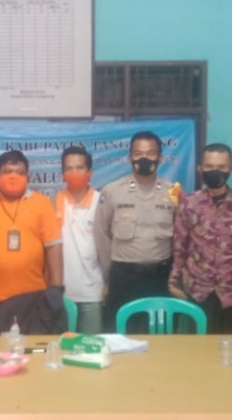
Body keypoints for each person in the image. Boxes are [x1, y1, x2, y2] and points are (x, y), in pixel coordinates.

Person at [168, 143, 232, 334]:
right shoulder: (189, 203)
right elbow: (180, 247)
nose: (215, 171)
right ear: (200, 169)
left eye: (221, 167)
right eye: (209, 166)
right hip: (198, 293)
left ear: (231, 170)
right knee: (199, 350)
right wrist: (174, 282)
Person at [94, 130, 183, 332]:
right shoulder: (112, 191)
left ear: (160, 158)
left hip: (159, 276)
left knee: (159, 334)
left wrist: (175, 277)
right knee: (120, 333)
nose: (144, 158)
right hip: (123, 276)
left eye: (150, 153)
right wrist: (109, 274)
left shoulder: (173, 192)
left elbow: (180, 238)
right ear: (129, 158)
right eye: (138, 153)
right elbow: (101, 233)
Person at [0, 150, 63, 328]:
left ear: (28, 177)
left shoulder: (42, 203)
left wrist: (56, 289)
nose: (13, 177)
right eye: (7, 171)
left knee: (29, 345)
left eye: (20, 172)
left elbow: (53, 246)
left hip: (32, 297)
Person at [55, 146, 103, 334]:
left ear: (90, 172)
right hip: (62, 294)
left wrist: (108, 284)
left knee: (90, 346)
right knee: (63, 346)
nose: (74, 173)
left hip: (93, 292)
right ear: (62, 174)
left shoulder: (102, 202)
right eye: (69, 168)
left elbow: (108, 247)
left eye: (79, 168)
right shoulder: (53, 202)